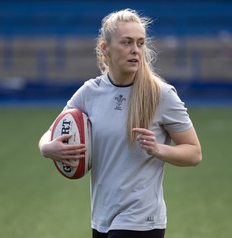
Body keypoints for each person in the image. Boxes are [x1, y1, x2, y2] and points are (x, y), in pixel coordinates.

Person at [38, 8, 202, 238]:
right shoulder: (89, 92)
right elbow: (51, 131)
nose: (135, 50)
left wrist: (158, 149)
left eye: (140, 43)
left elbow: (194, 153)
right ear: (105, 48)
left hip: (141, 218)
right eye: (126, 42)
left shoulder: (160, 94)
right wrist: (46, 148)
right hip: (102, 216)